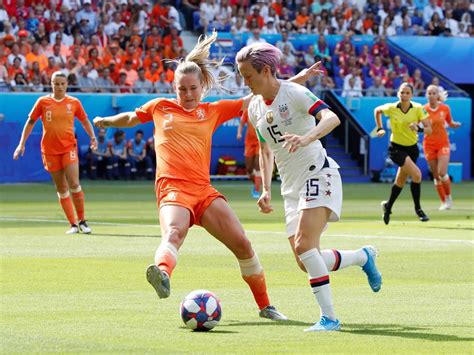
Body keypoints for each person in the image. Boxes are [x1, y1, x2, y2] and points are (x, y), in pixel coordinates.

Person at [92, 32, 321, 321]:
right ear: (174, 88)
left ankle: (266, 306)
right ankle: (162, 274)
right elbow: (130, 118)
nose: (187, 95)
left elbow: (259, 93)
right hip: (173, 189)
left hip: (204, 192)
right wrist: (105, 122)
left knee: (243, 244)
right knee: (174, 233)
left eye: (192, 89)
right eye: (181, 89)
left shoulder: (212, 111)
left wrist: (298, 78)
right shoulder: (160, 107)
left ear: (202, 86)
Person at [236, 43, 382, 332]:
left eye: (248, 75)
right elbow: (267, 151)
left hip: (318, 173)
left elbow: (331, 118)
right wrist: (265, 188)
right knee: (307, 260)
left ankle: (330, 318)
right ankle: (363, 256)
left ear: (265, 70)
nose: (245, 82)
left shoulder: (295, 93)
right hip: (290, 188)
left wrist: (307, 137)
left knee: (304, 246)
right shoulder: (255, 107)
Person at [13, 71, 97, 234]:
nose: (59, 86)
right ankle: (73, 224)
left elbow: (85, 120)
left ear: (66, 85)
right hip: (49, 151)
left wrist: (93, 137)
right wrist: (21, 144)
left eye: (62, 84)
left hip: (68, 148)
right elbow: (30, 122)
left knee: (74, 183)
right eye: (56, 83)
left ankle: (82, 221)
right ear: (51, 84)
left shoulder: (74, 102)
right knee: (61, 188)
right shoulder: (42, 101)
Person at [374, 82, 432, 225]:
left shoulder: (418, 108)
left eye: (407, 93)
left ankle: (388, 207)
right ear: (398, 93)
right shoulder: (392, 107)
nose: (404, 95)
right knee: (417, 174)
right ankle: (418, 209)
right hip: (396, 148)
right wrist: (380, 128)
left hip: (412, 148)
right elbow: (377, 110)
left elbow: (429, 129)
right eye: (402, 92)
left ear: (412, 95)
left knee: (400, 180)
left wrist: (418, 128)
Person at [423, 85, 461, 210]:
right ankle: (444, 202)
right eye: (429, 93)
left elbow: (450, 122)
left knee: (442, 172)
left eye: (434, 93)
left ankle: (449, 197)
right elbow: (419, 125)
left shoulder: (445, 108)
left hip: (443, 143)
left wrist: (454, 124)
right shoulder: (423, 110)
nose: (431, 96)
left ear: (438, 95)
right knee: (435, 176)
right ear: (426, 95)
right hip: (428, 145)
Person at [237, 110, 261, 199]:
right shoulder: (248, 110)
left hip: (261, 141)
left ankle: (257, 190)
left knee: (258, 165)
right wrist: (239, 133)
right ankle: (257, 183)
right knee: (249, 169)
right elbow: (242, 123)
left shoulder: (264, 108)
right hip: (249, 142)